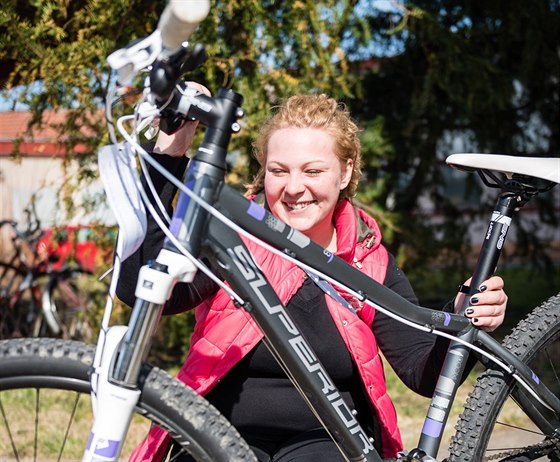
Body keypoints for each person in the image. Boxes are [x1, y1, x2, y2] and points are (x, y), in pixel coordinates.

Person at [117, 86, 508, 461]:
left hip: (328, 441)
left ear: (344, 173)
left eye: (313, 171)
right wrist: (170, 151)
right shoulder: (230, 239)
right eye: (278, 170)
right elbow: (140, 289)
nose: (293, 187)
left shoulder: (368, 260)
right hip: (221, 433)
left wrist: (461, 314)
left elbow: (424, 373)